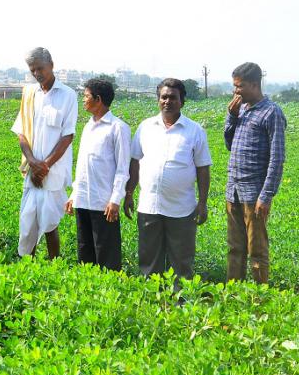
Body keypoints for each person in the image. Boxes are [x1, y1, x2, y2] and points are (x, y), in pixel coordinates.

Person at [124, 78, 212, 289]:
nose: (167, 101)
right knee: (149, 258)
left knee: (181, 260)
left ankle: (180, 303)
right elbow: (135, 161)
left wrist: (203, 202)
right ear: (158, 100)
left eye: (173, 97)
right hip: (149, 206)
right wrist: (129, 193)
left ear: (182, 101)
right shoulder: (146, 127)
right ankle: (152, 298)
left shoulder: (194, 130)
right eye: (163, 97)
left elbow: (203, 168)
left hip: (181, 208)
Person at [224, 62, 286, 284]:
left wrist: (266, 195)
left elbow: (277, 158)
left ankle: (260, 298)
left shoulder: (272, 112)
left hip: (254, 194)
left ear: (254, 84)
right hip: (234, 191)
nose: (235, 91)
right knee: (234, 248)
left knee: (257, 250)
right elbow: (229, 144)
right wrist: (231, 117)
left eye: (239, 86)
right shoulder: (239, 109)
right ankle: (234, 294)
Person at [12, 47, 77, 258]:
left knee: (50, 223)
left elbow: (67, 136)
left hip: (53, 171)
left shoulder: (68, 95)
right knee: (28, 221)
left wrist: (45, 165)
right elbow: (22, 133)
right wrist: (33, 163)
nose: (37, 73)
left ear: (51, 65)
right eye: (33, 70)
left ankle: (54, 266)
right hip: (32, 170)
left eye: (40, 68)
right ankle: (26, 265)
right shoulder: (29, 93)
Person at [65, 78, 130, 270]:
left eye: (86, 96)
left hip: (104, 203)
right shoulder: (87, 126)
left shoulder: (118, 128)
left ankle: (110, 293)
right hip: (83, 200)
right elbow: (82, 166)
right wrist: (74, 195)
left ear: (98, 99)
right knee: (85, 252)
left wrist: (115, 199)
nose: (83, 100)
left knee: (106, 254)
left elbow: (122, 168)